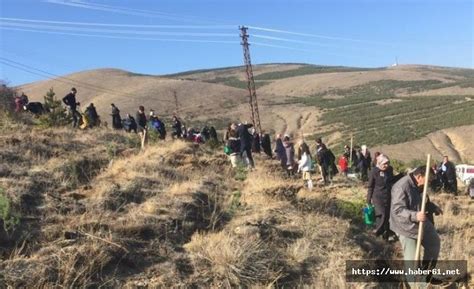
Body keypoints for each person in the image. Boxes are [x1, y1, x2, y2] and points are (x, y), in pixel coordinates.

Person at [390, 166, 443, 286]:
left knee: (434, 243)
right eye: (428, 180)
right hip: (405, 226)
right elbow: (398, 210)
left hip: (421, 222)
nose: (429, 183)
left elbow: (424, 202)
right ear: (419, 177)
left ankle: (425, 277)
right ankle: (413, 285)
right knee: (413, 261)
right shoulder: (401, 186)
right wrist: (415, 216)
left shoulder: (420, 185)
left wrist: (433, 207)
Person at [367, 154, 394, 240]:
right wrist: (368, 199)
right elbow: (370, 186)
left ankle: (385, 233)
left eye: (387, 163)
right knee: (381, 213)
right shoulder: (374, 171)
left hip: (388, 196)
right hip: (378, 196)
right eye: (384, 164)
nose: (386, 165)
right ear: (379, 163)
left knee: (386, 215)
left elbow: (392, 180)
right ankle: (378, 232)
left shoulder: (389, 170)